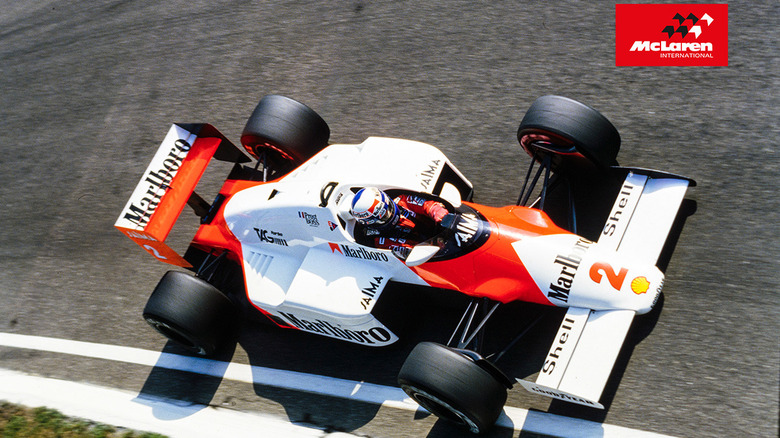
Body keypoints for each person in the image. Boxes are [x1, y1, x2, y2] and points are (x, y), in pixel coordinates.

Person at [350, 187, 448, 259]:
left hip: (443, 230)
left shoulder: (402, 201)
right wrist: (434, 245)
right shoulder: (379, 240)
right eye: (384, 216)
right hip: (434, 252)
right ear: (372, 223)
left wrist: (438, 212)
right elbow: (409, 250)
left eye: (389, 208)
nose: (390, 214)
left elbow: (426, 205)